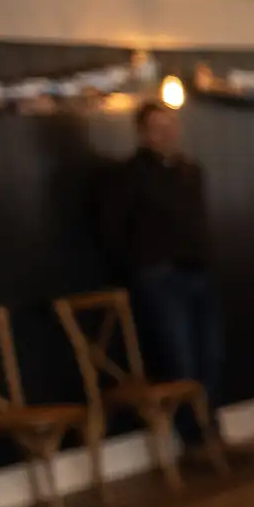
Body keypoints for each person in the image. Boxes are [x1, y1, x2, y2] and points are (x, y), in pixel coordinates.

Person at [98, 101, 225, 448]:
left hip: (199, 270)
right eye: (158, 128)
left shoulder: (190, 169)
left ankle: (211, 429)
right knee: (179, 358)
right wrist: (145, 264)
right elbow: (113, 230)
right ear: (143, 134)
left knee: (210, 355)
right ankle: (193, 439)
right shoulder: (129, 175)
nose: (167, 133)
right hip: (161, 277)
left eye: (171, 126)